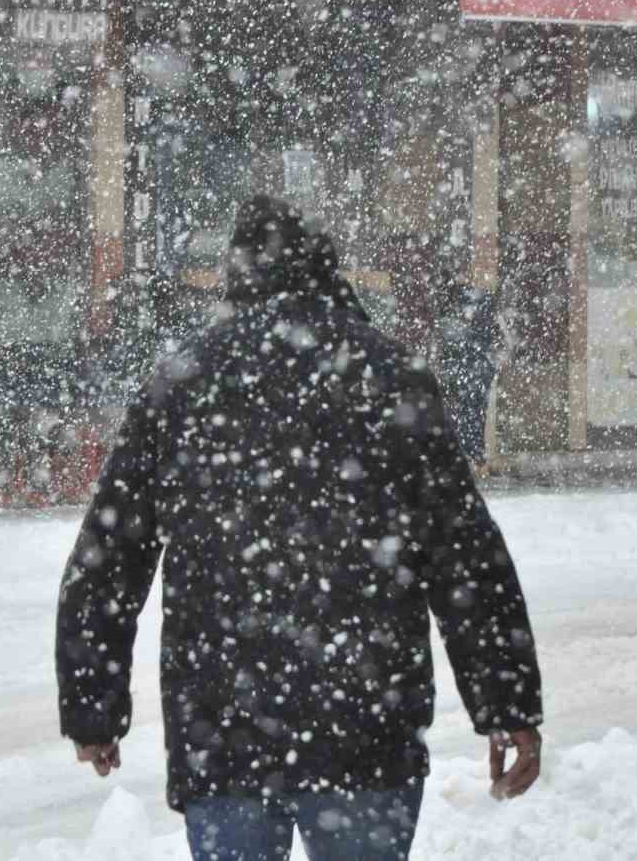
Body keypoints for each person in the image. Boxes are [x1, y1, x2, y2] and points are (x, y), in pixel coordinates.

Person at [57, 195, 543, 861]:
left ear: (237, 277)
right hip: (365, 722)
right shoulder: (391, 378)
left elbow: (109, 556)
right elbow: (464, 558)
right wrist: (507, 703)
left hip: (223, 725)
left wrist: (93, 705)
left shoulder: (183, 385)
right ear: (328, 271)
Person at [433, 266, 505, 474]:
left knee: (460, 414)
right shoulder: (484, 301)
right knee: (473, 415)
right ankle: (476, 458)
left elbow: (445, 342)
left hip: (462, 370)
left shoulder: (450, 303)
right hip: (474, 369)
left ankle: (466, 458)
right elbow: (498, 338)